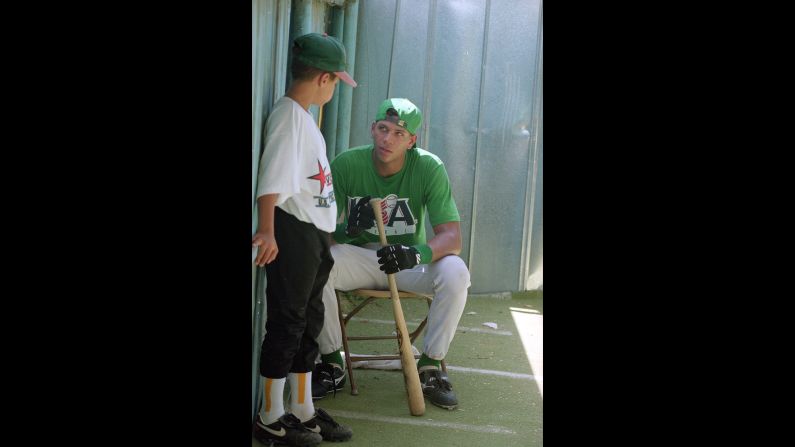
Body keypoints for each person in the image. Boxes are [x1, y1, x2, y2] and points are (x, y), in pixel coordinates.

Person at [312, 98, 471, 410]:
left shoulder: (429, 166)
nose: (388, 139)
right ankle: (332, 361)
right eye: (383, 129)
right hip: (360, 258)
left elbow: (452, 238)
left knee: (456, 271)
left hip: (406, 261)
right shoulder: (346, 164)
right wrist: (347, 230)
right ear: (372, 129)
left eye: (399, 133)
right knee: (317, 264)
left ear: (412, 141)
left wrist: (417, 254)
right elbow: (319, 234)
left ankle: (429, 365)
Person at [251, 32, 356, 446]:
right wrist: (268, 230)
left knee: (308, 321)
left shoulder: (303, 116)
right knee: (288, 322)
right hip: (292, 232)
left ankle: (302, 410)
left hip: (313, 234)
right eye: (336, 81)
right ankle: (270, 416)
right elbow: (271, 181)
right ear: (325, 78)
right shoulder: (289, 117)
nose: (334, 89)